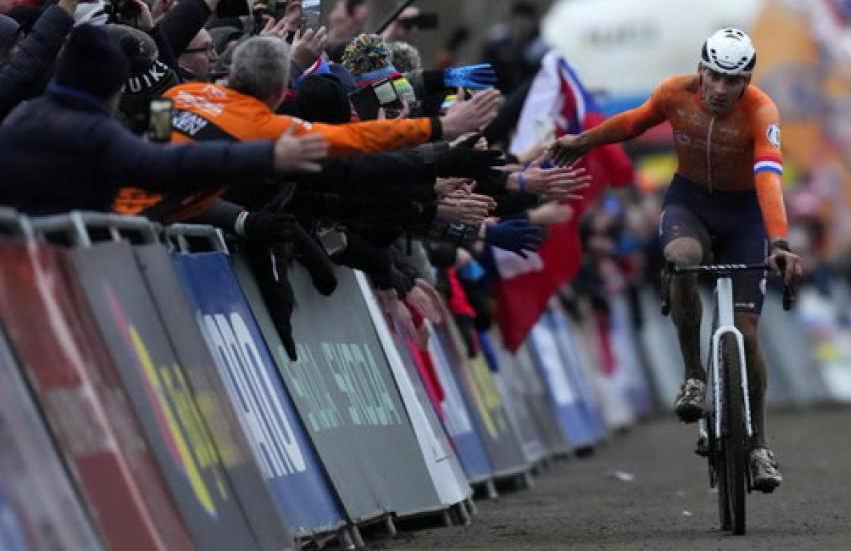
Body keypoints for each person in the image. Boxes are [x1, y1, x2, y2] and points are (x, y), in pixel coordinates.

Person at [548, 28, 803, 493]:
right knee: (682, 259)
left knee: (746, 333)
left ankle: (761, 446)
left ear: (747, 81)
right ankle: (693, 375)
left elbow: (768, 177)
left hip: (744, 216)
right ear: (700, 68)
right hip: (691, 204)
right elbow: (631, 123)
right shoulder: (673, 92)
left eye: (734, 81)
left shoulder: (762, 111)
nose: (722, 90)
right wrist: (584, 141)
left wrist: (779, 242)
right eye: (716, 77)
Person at [113, 35, 502, 222]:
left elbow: (153, 142)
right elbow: (359, 140)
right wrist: (442, 126)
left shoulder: (181, 93)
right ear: (279, 91)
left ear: (231, 73)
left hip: (103, 201)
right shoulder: (268, 129)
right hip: (135, 226)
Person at [0, 24, 326, 216]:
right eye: (205, 50)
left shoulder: (24, 114)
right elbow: (168, 162)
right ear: (112, 88)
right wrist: (268, 155)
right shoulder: (98, 134)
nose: (213, 57)